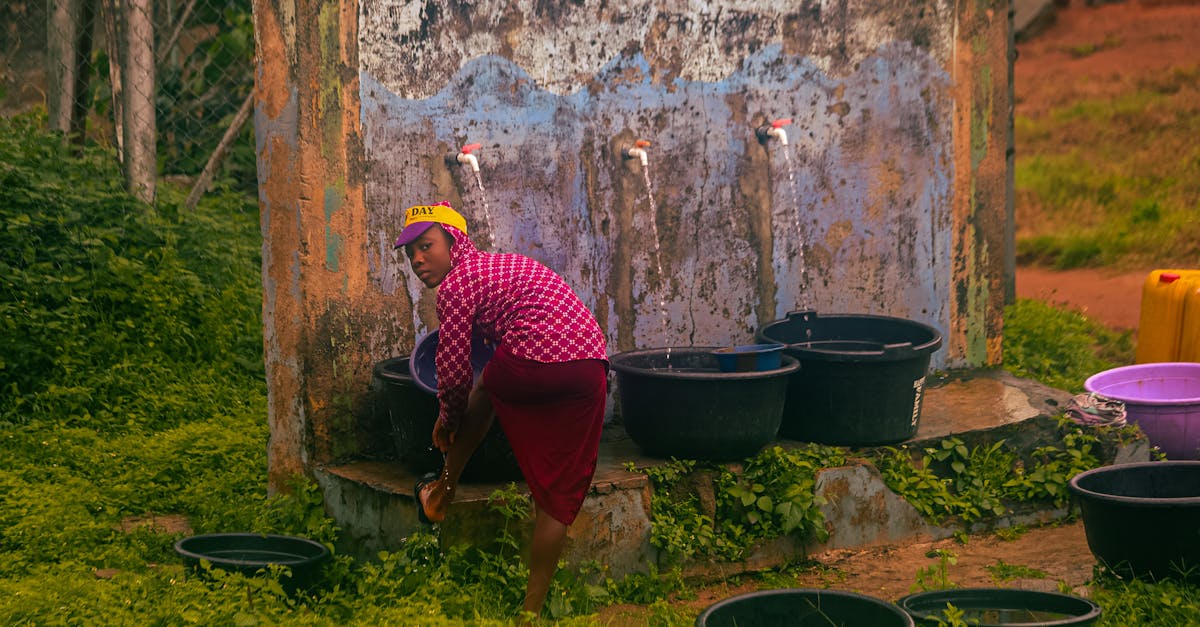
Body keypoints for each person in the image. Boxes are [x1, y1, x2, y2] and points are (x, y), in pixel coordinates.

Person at [394, 201, 609, 617]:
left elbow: (453, 369)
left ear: (454, 243)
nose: (418, 259)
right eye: (410, 253)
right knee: (556, 499)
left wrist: (447, 417)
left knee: (486, 389)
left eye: (426, 245)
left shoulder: (457, 285)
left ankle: (440, 494)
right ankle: (531, 614)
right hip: (591, 366)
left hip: (536, 356)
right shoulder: (502, 265)